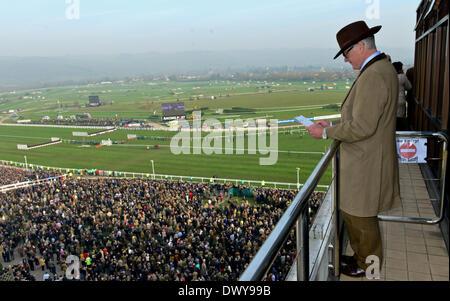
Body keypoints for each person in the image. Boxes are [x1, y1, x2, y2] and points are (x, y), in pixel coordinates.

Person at [306, 21, 401, 277]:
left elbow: (362, 126)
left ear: (360, 46)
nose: (346, 60)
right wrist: (333, 123)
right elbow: (362, 119)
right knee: (358, 219)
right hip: (366, 160)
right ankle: (361, 260)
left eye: (347, 54)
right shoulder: (379, 69)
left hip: (366, 163)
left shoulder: (374, 74)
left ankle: (370, 270)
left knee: (363, 222)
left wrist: (325, 132)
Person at [392, 61, 412, 130]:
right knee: (400, 120)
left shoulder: (390, 76)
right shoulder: (402, 77)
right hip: (400, 101)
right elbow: (409, 87)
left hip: (391, 101)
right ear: (400, 69)